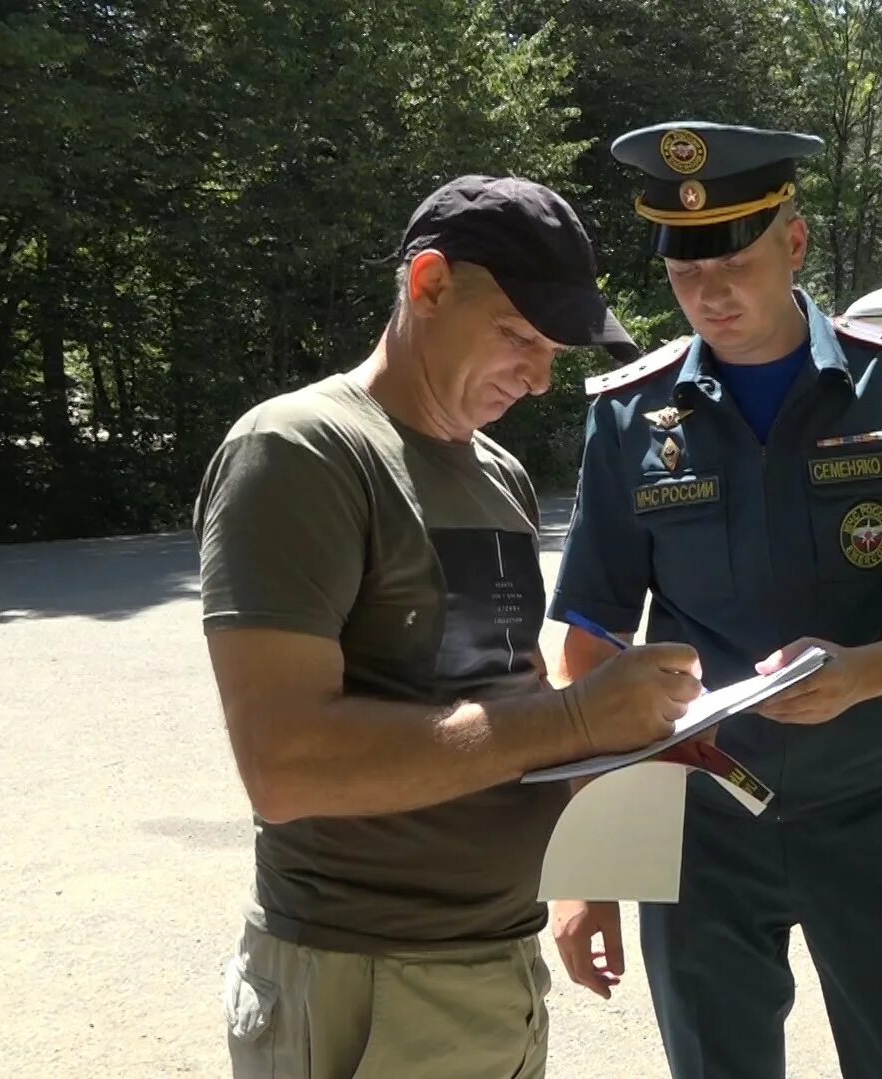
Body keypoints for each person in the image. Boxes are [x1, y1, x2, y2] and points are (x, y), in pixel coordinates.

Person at [542, 121, 882, 1079]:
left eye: (734, 262)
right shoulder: (631, 417)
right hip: (699, 829)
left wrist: (862, 675)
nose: (710, 293)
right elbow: (589, 649)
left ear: (794, 243)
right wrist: (591, 866)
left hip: (872, 814)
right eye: (685, 274)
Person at [194, 174, 706, 1079]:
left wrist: (594, 851)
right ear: (427, 284)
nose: (541, 376)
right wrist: (579, 718)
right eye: (518, 335)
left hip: (495, 966)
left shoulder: (499, 474)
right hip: (366, 979)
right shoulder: (299, 451)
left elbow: (501, 705)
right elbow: (283, 763)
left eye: (554, 350)